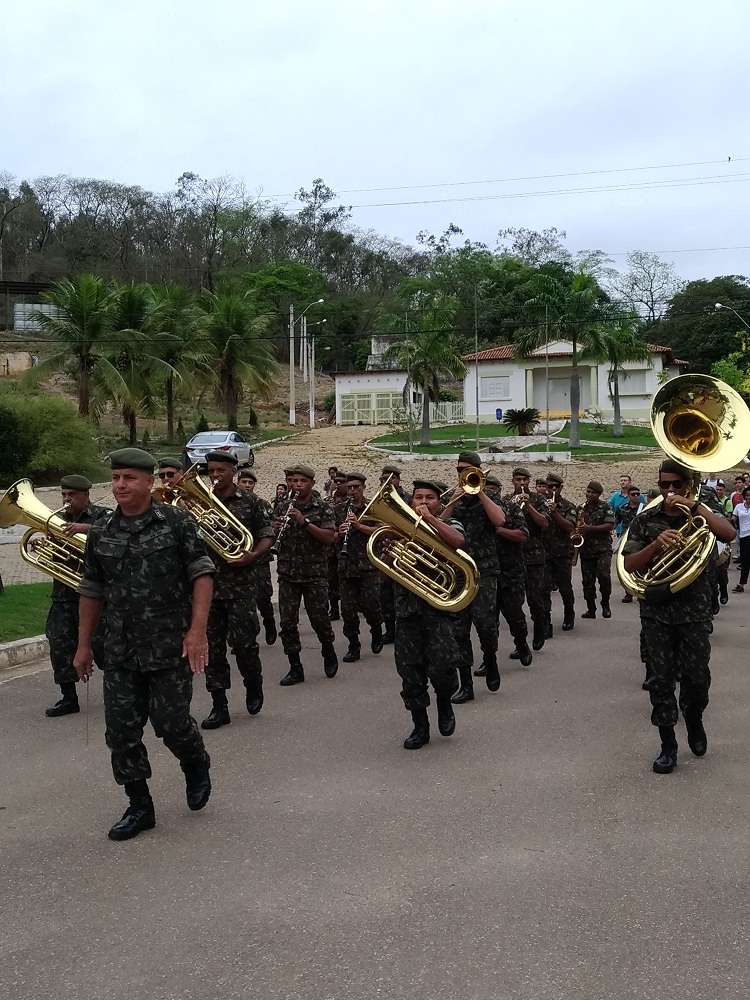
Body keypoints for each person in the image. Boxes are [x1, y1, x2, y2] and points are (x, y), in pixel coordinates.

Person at [74, 448, 215, 841]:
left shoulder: (176, 522)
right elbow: (91, 589)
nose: (120, 485)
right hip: (119, 649)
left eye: (129, 478)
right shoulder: (101, 530)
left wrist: (197, 631)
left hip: (168, 645)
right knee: (121, 733)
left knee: (171, 724)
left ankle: (195, 761)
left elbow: (202, 574)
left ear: (149, 482)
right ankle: (139, 806)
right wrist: (83, 645)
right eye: (116, 478)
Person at [622, 458, 735, 774]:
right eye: (664, 484)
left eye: (676, 484)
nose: (670, 490)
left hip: (694, 612)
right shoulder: (645, 519)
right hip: (657, 613)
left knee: (697, 679)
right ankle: (667, 745)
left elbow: (728, 533)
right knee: (660, 681)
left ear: (688, 485)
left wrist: (695, 506)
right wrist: (656, 545)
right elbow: (629, 564)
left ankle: (694, 719)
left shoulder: (699, 515)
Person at [201, 453, 274, 728]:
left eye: (220, 470)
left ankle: (253, 682)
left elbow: (267, 535)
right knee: (212, 650)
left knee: (244, 645)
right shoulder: (201, 502)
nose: (215, 475)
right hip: (208, 588)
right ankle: (219, 705)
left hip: (241, 587)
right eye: (211, 471)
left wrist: (252, 555)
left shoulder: (252, 502)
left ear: (233, 471)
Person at [389, 480, 463, 749]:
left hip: (438, 611)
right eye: (418, 497)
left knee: (443, 667)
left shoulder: (450, 524)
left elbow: (458, 541)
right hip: (407, 613)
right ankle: (420, 726)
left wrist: (430, 519)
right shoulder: (398, 528)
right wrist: (389, 554)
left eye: (429, 498)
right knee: (410, 673)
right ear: (410, 502)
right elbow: (383, 574)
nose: (423, 502)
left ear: (439, 503)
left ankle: (444, 703)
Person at [43, 475, 112, 717]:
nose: (66, 499)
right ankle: (68, 697)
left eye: (71, 495)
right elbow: (55, 556)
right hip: (64, 595)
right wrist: (43, 545)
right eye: (64, 494)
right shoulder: (57, 519)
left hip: (95, 596)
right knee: (59, 644)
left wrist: (88, 530)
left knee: (104, 646)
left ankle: (118, 693)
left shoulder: (102, 516)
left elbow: (118, 534)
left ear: (85, 495)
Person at [441, 451, 506, 701]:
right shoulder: (454, 498)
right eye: (459, 470)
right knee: (459, 629)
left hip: (484, 570)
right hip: (458, 571)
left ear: (478, 470)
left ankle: (490, 659)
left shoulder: (490, 496)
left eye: (466, 469)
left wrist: (479, 492)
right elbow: (439, 526)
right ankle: (466, 684)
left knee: (486, 625)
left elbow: (500, 520)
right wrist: (453, 501)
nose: (462, 473)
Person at [273, 464, 338, 685]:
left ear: (312, 483)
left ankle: (328, 649)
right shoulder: (282, 506)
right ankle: (295, 667)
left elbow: (328, 538)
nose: (297, 485)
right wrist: (276, 528)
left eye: (302, 481)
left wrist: (304, 522)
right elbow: (270, 535)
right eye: (293, 481)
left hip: (314, 574)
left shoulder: (323, 507)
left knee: (320, 619)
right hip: (288, 573)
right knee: (287, 623)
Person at [335, 472, 384, 662]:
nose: (352, 490)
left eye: (356, 487)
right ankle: (353, 645)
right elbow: (330, 533)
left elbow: (380, 531)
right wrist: (339, 533)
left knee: (371, 605)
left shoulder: (373, 507)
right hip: (346, 566)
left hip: (368, 565)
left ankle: (376, 628)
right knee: (348, 610)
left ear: (363, 487)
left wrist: (359, 526)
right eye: (349, 487)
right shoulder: (339, 509)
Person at [484, 474, 532, 666]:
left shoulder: (510, 508)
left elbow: (523, 535)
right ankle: (489, 659)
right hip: (486, 573)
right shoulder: (476, 511)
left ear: (499, 491)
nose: (489, 493)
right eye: (485, 489)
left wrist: (500, 530)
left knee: (514, 615)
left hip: (511, 572)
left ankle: (521, 644)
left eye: (492, 490)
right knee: (488, 620)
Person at [503, 467, 551, 649]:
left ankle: (539, 630)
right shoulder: (506, 500)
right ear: (512, 481)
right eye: (518, 480)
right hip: (513, 557)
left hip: (534, 556)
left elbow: (544, 523)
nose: (522, 483)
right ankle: (520, 642)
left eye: (525, 480)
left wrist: (529, 506)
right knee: (515, 603)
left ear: (529, 481)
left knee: (535, 598)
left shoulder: (539, 499)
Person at [238, 468, 277, 645]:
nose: (247, 485)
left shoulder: (260, 503)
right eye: (244, 482)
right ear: (238, 483)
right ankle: (247, 637)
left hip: (259, 559)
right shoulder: (227, 504)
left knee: (263, 596)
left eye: (250, 483)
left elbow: (269, 526)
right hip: (238, 557)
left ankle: (269, 621)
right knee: (244, 602)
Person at [379, 464, 409, 644]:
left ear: (398, 480)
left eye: (391, 478)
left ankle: (403, 631)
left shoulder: (408, 499)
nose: (387, 482)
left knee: (402, 596)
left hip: (405, 553)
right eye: (384, 479)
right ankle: (390, 631)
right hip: (386, 551)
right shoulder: (380, 499)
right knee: (385, 596)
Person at [543, 474, 577, 632]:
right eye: (550, 486)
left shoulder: (568, 506)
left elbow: (570, 527)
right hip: (544, 553)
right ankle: (546, 621)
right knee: (544, 589)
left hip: (562, 553)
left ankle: (569, 614)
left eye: (556, 486)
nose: (553, 489)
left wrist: (555, 514)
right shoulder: (540, 503)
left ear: (561, 487)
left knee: (565, 587)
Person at [577, 481, 615, 619]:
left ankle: (605, 604)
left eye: (593, 493)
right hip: (586, 549)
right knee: (587, 581)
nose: (589, 494)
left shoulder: (606, 507)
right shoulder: (581, 508)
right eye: (588, 492)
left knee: (604, 576)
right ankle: (591, 609)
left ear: (599, 494)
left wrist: (590, 528)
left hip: (603, 549)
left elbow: (609, 525)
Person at [615, 486, 645, 601]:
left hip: (640, 540)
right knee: (627, 566)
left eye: (638, 494)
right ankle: (628, 593)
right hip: (626, 540)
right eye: (633, 494)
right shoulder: (622, 508)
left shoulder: (644, 508)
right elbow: (616, 521)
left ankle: (641, 591)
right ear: (628, 495)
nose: (636, 496)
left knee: (641, 566)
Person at [326, 473, 348, 620]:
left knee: (345, 579)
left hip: (345, 546)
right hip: (330, 548)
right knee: (331, 579)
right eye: (336, 481)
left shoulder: (349, 502)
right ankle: (333, 609)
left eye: (341, 482)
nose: (338, 484)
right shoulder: (327, 501)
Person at [731, 486, 750, 593]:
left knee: (746, 560)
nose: (748, 498)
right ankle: (742, 584)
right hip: (743, 536)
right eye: (747, 495)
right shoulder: (739, 507)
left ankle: (741, 584)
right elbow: (733, 519)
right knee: (744, 561)